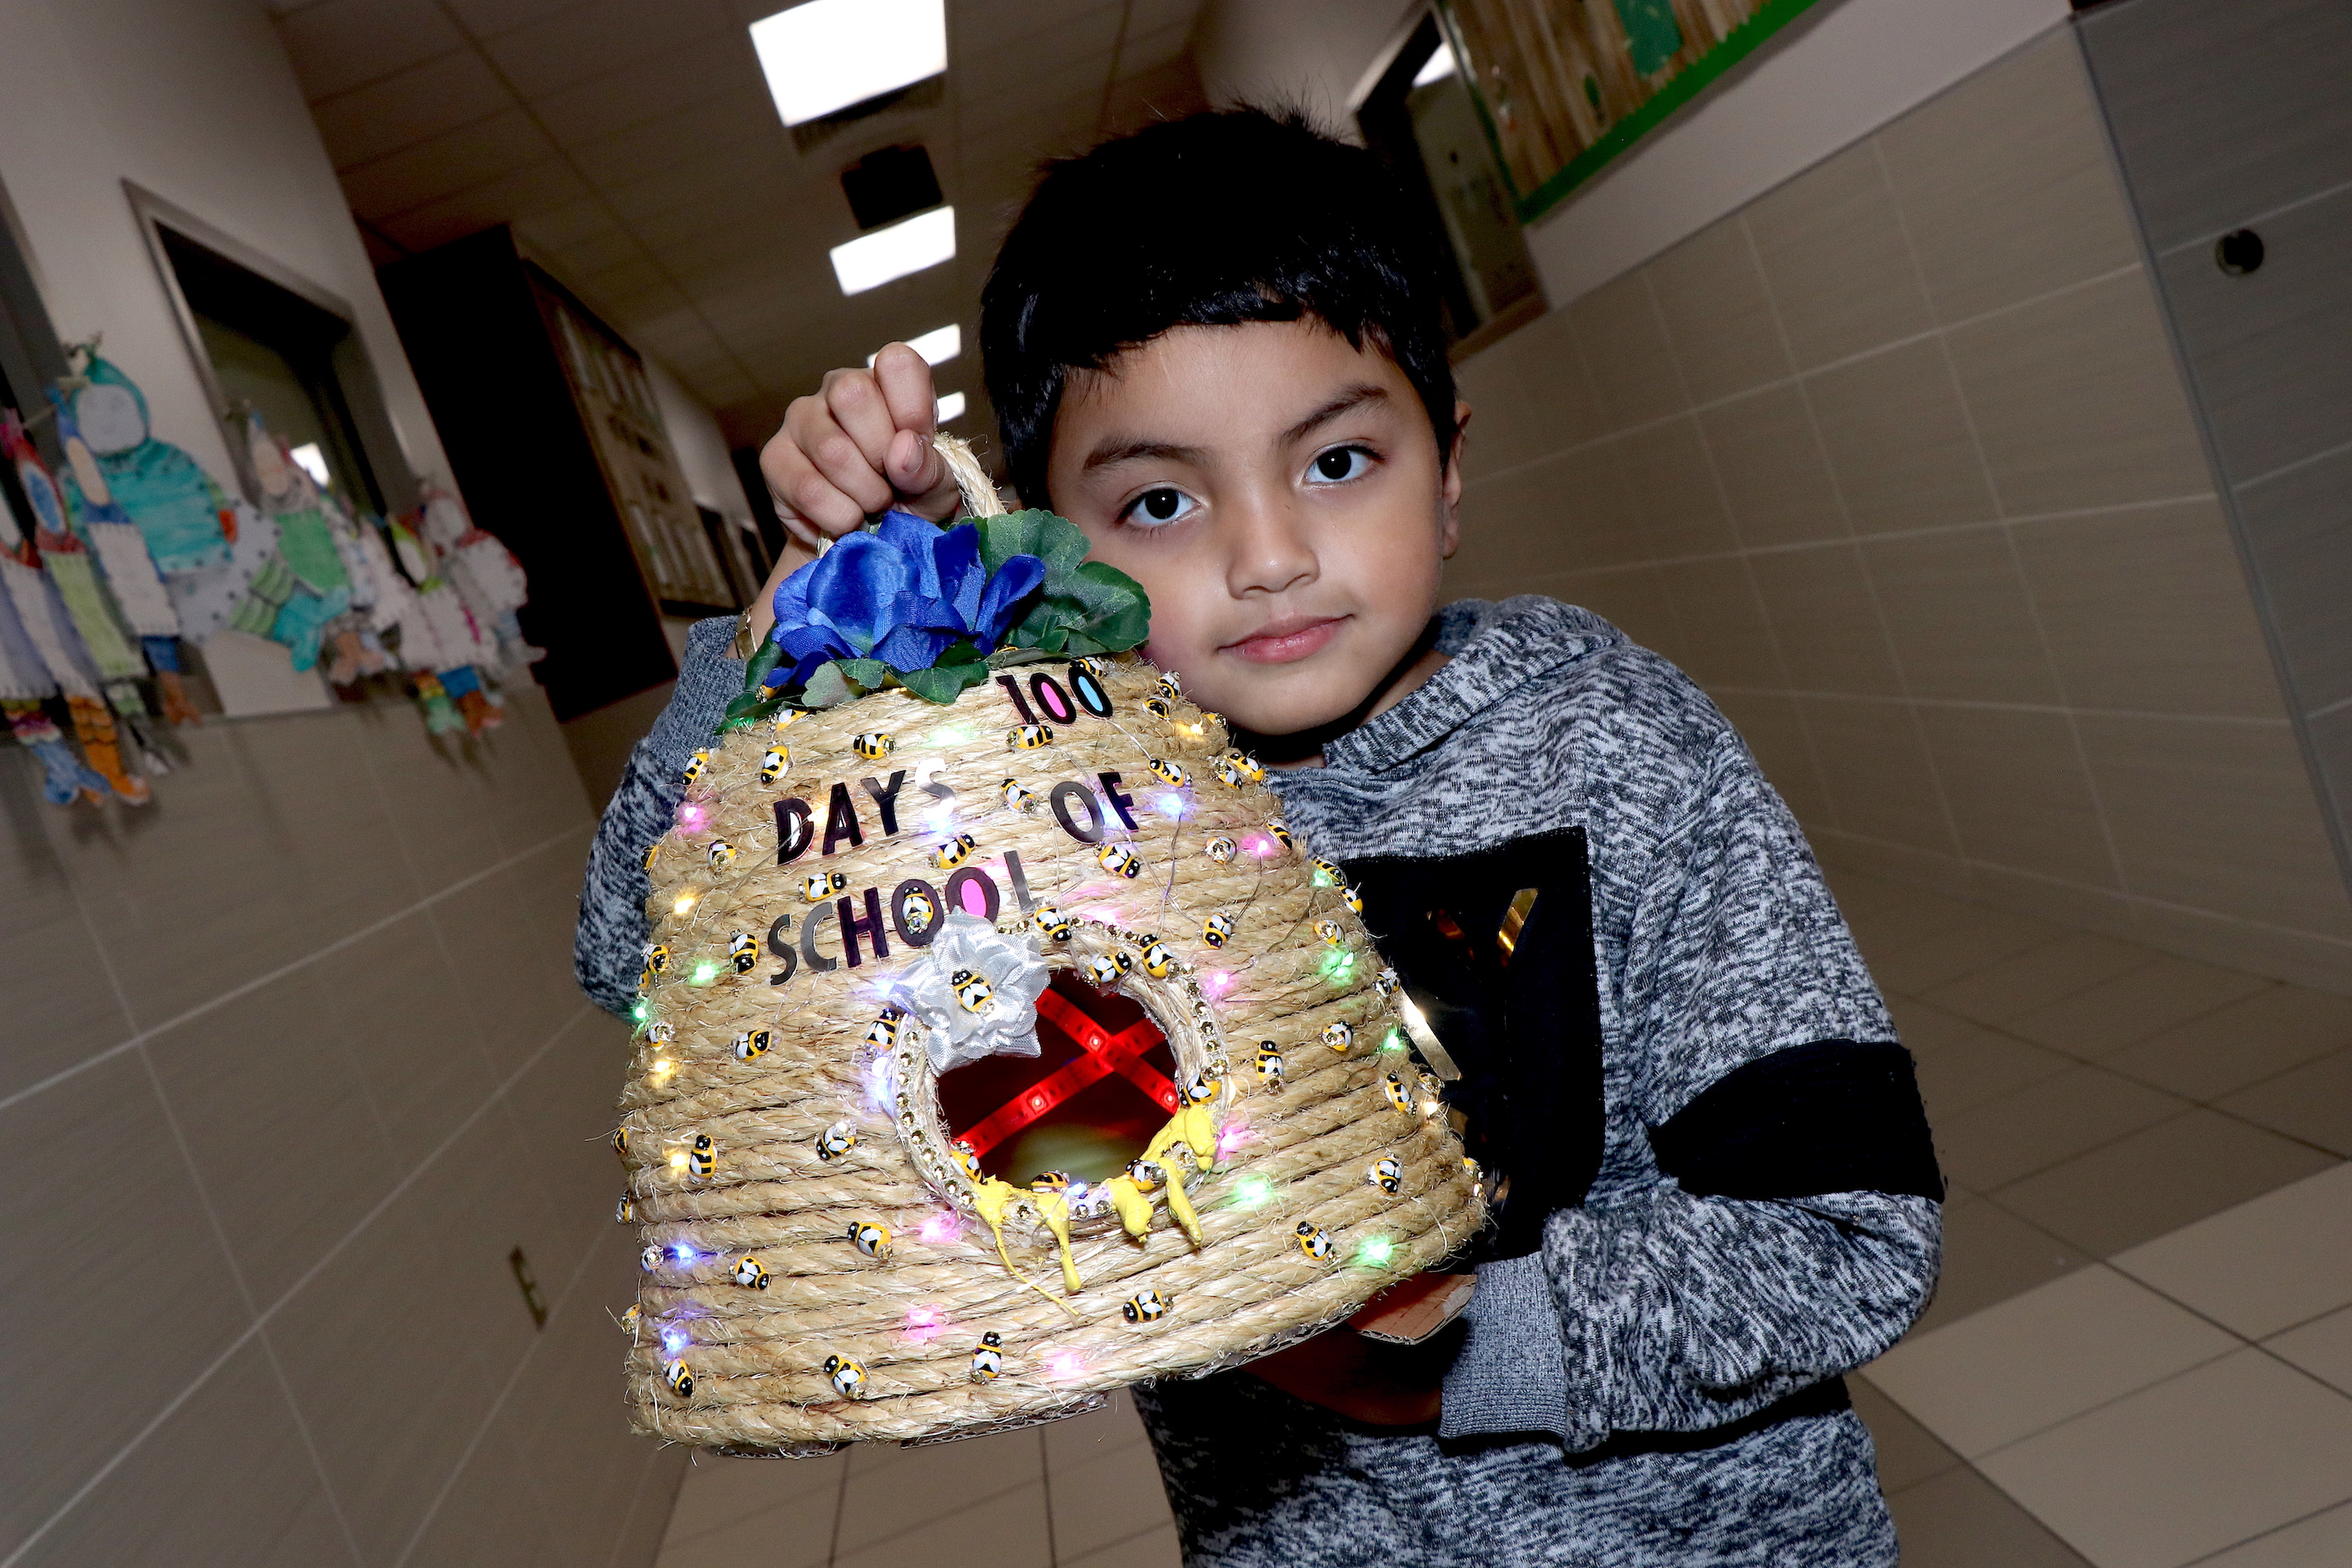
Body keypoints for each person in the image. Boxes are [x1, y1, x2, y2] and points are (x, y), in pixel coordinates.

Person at [576, 108, 1942, 1566]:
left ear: (1451, 464)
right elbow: (632, 955)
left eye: (1338, 463)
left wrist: (1466, 1342)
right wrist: (807, 621)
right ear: (1054, 551)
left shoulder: (1606, 739)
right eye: (1160, 501)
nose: (1269, 555)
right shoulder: (1055, 799)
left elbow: (1848, 1228)